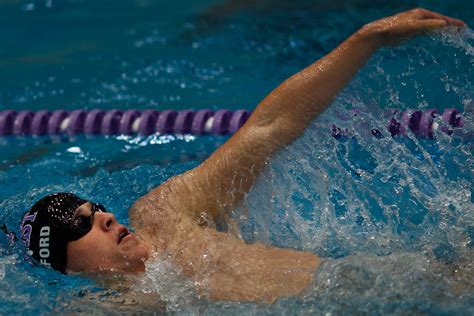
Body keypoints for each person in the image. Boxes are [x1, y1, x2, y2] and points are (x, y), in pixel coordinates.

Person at [19, 8, 466, 304]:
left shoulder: (164, 215)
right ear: (63, 264)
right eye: (82, 224)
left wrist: (367, 39)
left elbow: (268, 129)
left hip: (418, 284)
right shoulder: (121, 307)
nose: (107, 217)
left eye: (96, 209)